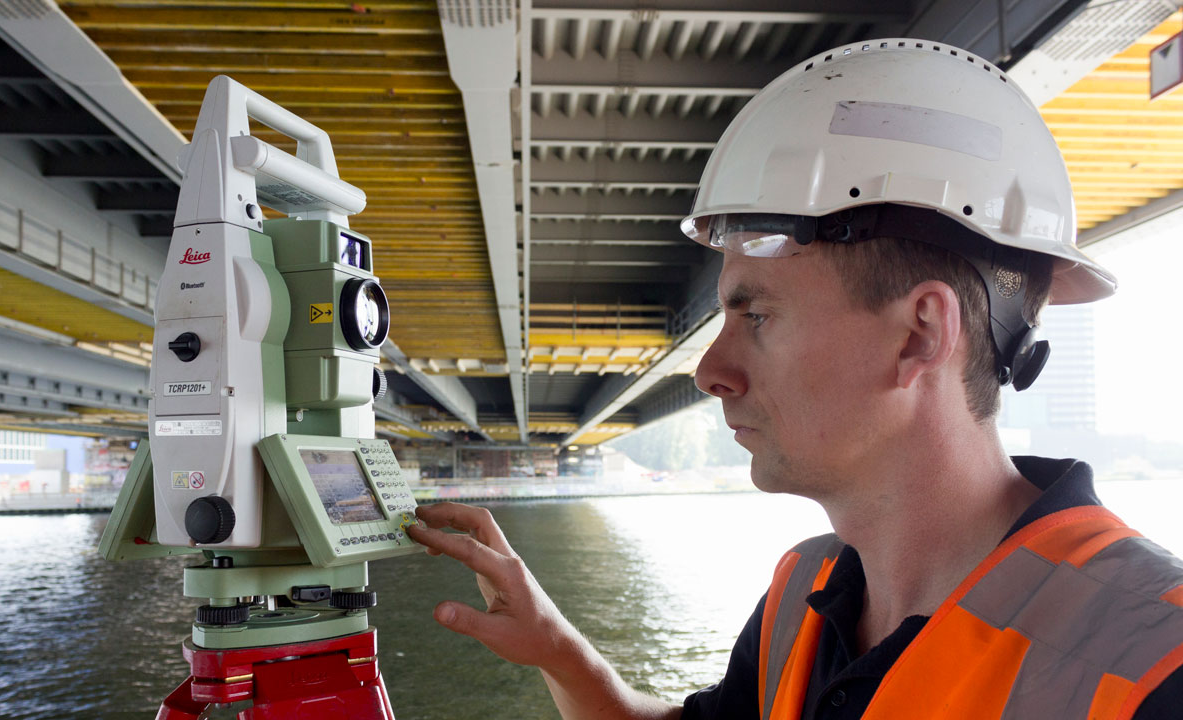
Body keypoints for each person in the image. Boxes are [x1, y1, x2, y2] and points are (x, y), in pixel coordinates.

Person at [405, 38, 1183, 719]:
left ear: (921, 335)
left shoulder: (1156, 663)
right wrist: (559, 651)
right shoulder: (802, 594)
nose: (709, 372)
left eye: (759, 316)